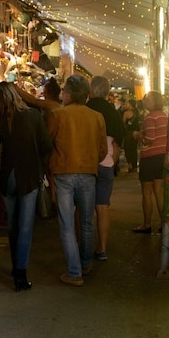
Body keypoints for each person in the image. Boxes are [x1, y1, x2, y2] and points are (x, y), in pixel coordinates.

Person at [47, 74, 107, 286]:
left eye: (64, 91)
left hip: (64, 173)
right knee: (87, 222)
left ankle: (74, 272)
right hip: (88, 173)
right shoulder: (97, 117)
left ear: (69, 94)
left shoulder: (58, 115)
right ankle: (86, 264)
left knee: (66, 224)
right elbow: (103, 150)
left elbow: (48, 144)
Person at [0, 81, 51, 291]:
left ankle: (15, 265)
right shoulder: (33, 116)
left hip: (8, 177)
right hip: (29, 176)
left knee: (12, 226)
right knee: (25, 227)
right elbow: (46, 146)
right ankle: (20, 274)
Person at [86, 76, 123, 260]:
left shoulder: (85, 109)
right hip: (107, 164)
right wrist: (112, 162)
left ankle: (82, 246)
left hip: (85, 164)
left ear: (91, 90)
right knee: (102, 206)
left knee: (82, 208)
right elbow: (117, 143)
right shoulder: (113, 112)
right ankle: (102, 248)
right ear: (107, 92)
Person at [132, 91, 168, 233]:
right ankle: (164, 223)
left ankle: (147, 224)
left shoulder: (149, 118)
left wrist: (138, 136)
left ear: (153, 101)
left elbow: (150, 139)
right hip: (161, 157)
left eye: (146, 99)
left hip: (150, 158)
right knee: (159, 190)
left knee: (147, 192)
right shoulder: (164, 116)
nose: (144, 100)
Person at [122, 98, 141, 172]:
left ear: (130, 105)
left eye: (127, 103)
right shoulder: (137, 112)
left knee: (128, 149)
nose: (125, 105)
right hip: (136, 133)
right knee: (134, 149)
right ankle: (134, 165)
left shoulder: (126, 113)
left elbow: (122, 123)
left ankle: (130, 164)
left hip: (129, 134)